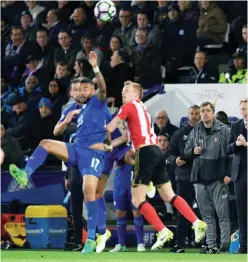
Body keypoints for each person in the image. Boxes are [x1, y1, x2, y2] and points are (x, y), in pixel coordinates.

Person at [9, 51, 108, 254]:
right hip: (76, 148)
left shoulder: (98, 102)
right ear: (73, 92)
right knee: (45, 142)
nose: (81, 92)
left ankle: (90, 239)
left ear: (91, 90)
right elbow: (56, 131)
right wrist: (66, 119)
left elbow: (103, 87)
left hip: (94, 153)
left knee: (88, 192)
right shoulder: (71, 108)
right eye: (77, 89)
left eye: (85, 88)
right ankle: (25, 174)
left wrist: (95, 67)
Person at [106, 81, 207, 251]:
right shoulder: (143, 109)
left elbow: (110, 127)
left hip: (144, 153)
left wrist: (100, 136)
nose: (122, 93)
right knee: (169, 195)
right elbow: (130, 135)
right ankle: (197, 222)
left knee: (137, 199)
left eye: (126, 91)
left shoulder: (129, 106)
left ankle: (162, 230)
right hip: (157, 152)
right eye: (122, 90)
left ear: (136, 94)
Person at [184, 102, 231, 254]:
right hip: (199, 178)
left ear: (213, 113)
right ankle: (211, 245)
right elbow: (186, 151)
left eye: (207, 111)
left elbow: (232, 154)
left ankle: (225, 245)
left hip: (218, 178)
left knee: (222, 214)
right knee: (206, 216)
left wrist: (228, 174)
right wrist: (193, 151)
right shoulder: (195, 129)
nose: (204, 113)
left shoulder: (224, 130)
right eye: (202, 111)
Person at [166, 105, 201, 253]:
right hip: (184, 177)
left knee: (204, 210)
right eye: (191, 114)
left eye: (197, 114)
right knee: (183, 211)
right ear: (188, 116)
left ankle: (207, 243)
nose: (194, 116)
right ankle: (179, 244)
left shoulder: (207, 133)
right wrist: (175, 160)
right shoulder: (178, 133)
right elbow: (168, 154)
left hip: (202, 177)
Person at [110, 164, 145, 252]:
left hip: (134, 183)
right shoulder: (115, 151)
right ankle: (121, 244)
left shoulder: (133, 151)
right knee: (120, 213)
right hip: (119, 183)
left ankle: (140, 243)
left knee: (136, 211)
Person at [228, 98, 247, 254]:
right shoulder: (235, 126)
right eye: (242, 109)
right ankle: (244, 246)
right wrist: (237, 145)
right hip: (240, 174)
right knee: (242, 211)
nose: (245, 112)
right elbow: (227, 148)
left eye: (247, 109)